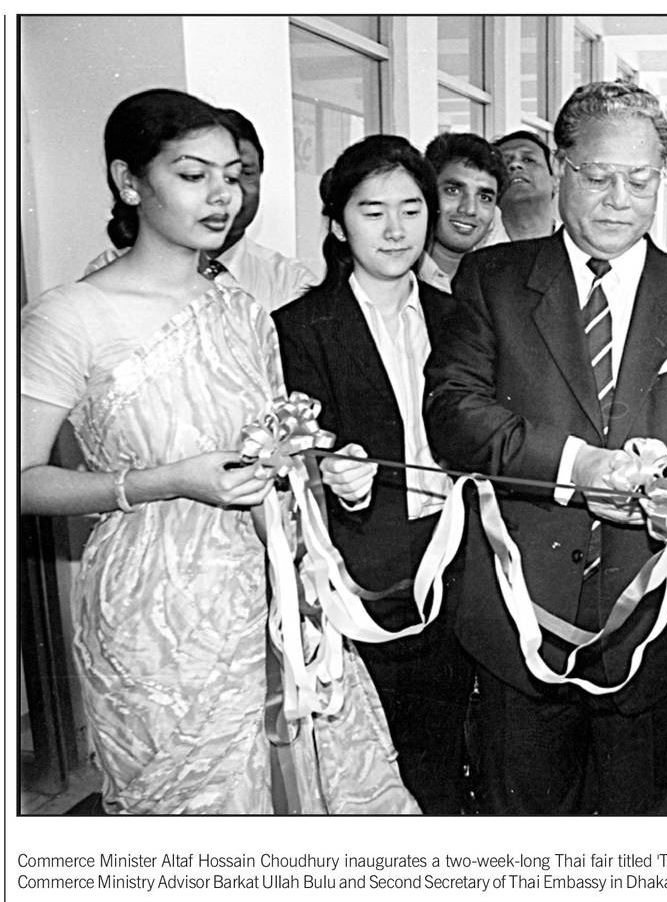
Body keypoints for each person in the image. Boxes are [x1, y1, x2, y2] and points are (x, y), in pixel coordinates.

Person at [20, 88, 415, 814]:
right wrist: (166, 480)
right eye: (192, 175)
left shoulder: (241, 309)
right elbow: (20, 480)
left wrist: (324, 472)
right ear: (129, 181)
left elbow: (270, 447)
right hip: (155, 607)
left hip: (271, 582)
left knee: (320, 786)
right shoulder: (70, 315)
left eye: (230, 175)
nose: (221, 195)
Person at [424, 80, 667, 815]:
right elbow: (454, 413)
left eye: (640, 180)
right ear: (560, 168)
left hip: (651, 624)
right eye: (598, 176)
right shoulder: (495, 280)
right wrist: (578, 467)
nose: (618, 200)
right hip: (519, 621)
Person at [273, 135, 474, 814]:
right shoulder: (300, 327)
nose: (395, 230)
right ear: (337, 225)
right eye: (372, 211)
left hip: (460, 559)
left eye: (411, 210)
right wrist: (329, 469)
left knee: (448, 744)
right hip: (363, 569)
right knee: (379, 757)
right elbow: (293, 451)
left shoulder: (459, 318)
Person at [85, 107, 316, 311]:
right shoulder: (110, 272)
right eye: (197, 175)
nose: (224, 193)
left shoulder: (290, 281)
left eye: (241, 173)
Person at [418, 132, 508, 292]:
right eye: (453, 190)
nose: (469, 209)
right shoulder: (397, 277)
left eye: (484, 197)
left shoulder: (503, 287)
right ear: (426, 191)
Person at [495, 129, 559, 240]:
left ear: (554, 181)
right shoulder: (475, 246)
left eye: (528, 160)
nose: (515, 164)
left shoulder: (580, 243)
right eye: (504, 162)